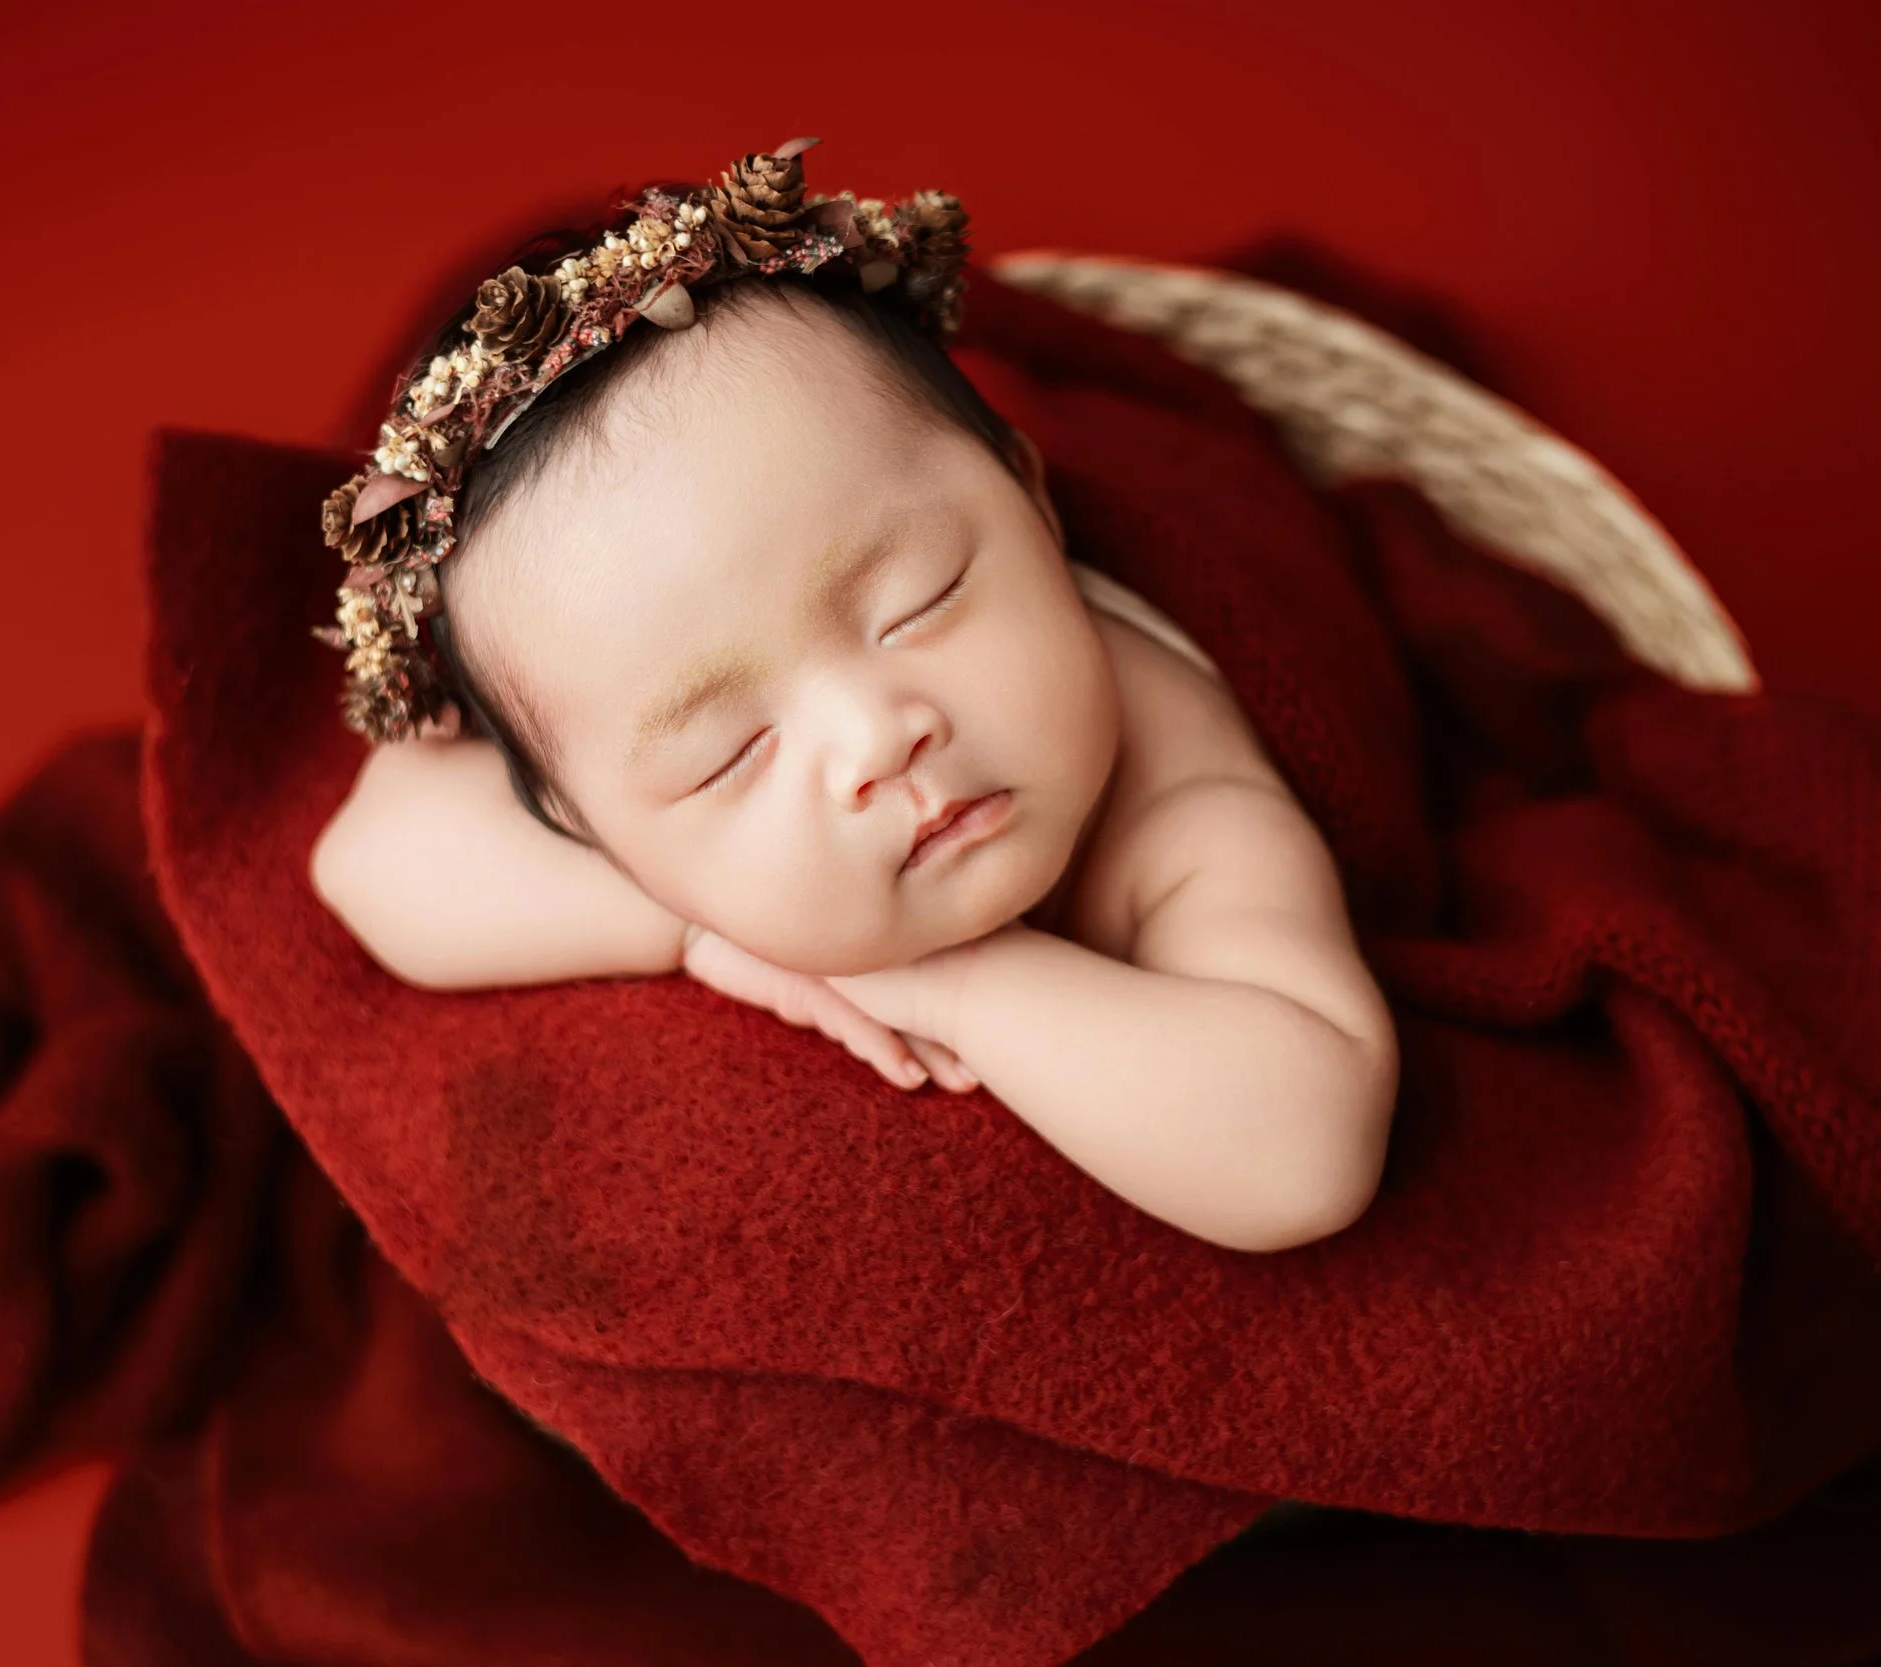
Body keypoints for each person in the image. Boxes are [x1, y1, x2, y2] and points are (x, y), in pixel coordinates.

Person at [307, 137, 1397, 1254]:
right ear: (593, 829)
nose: (876, 735)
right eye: (729, 754)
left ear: (1031, 497)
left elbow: (1302, 1154)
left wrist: (946, 980)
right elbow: (365, 862)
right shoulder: (610, 728)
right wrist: (696, 928)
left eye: (921, 601)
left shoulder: (1173, 788)